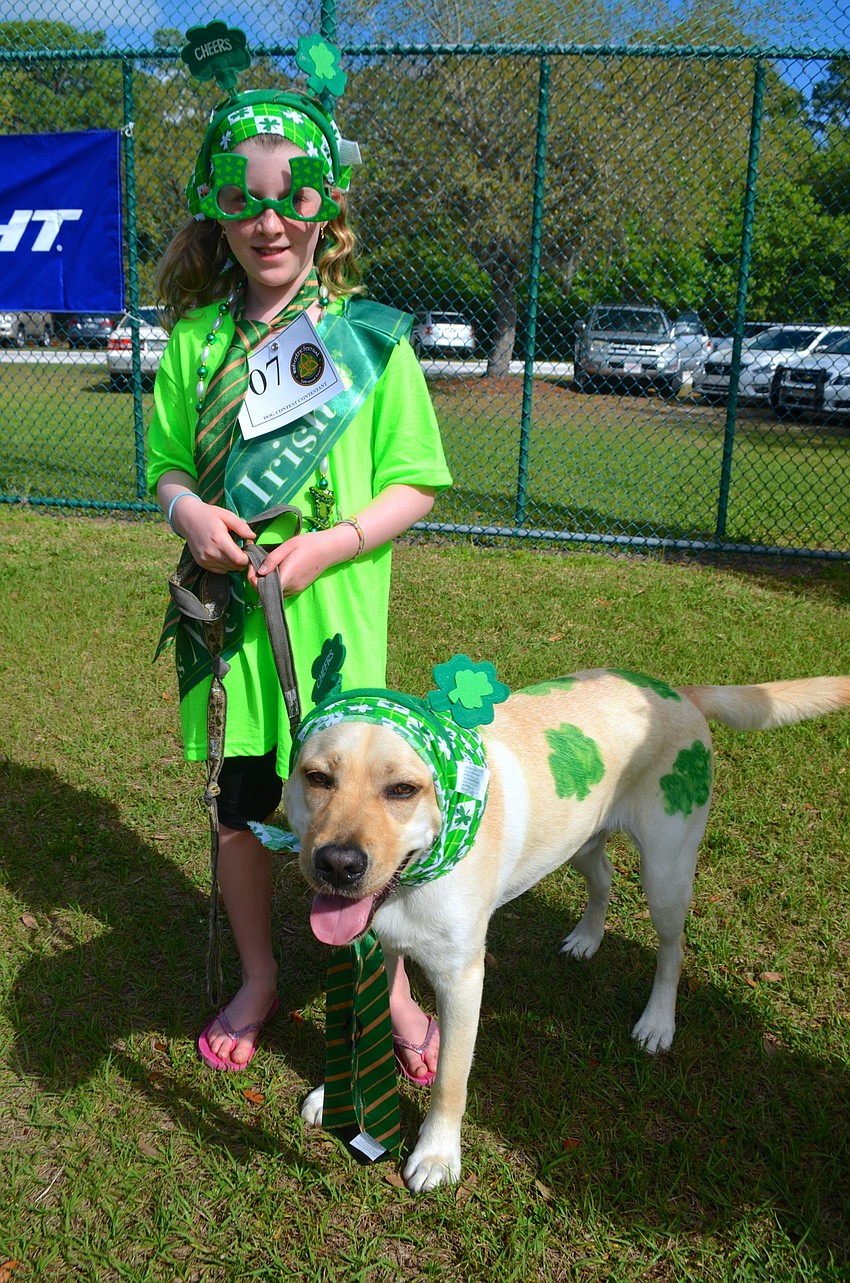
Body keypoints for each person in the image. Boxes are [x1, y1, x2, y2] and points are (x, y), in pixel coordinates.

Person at [146, 29, 451, 1081]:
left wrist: (335, 540)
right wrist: (190, 517)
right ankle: (262, 973)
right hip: (229, 636)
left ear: (328, 207)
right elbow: (170, 474)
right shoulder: (192, 345)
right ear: (213, 209)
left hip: (336, 631)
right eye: (242, 199)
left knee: (357, 821)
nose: (268, 222)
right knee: (242, 815)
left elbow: (416, 479)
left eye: (293, 197)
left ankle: (393, 987)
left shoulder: (370, 339)